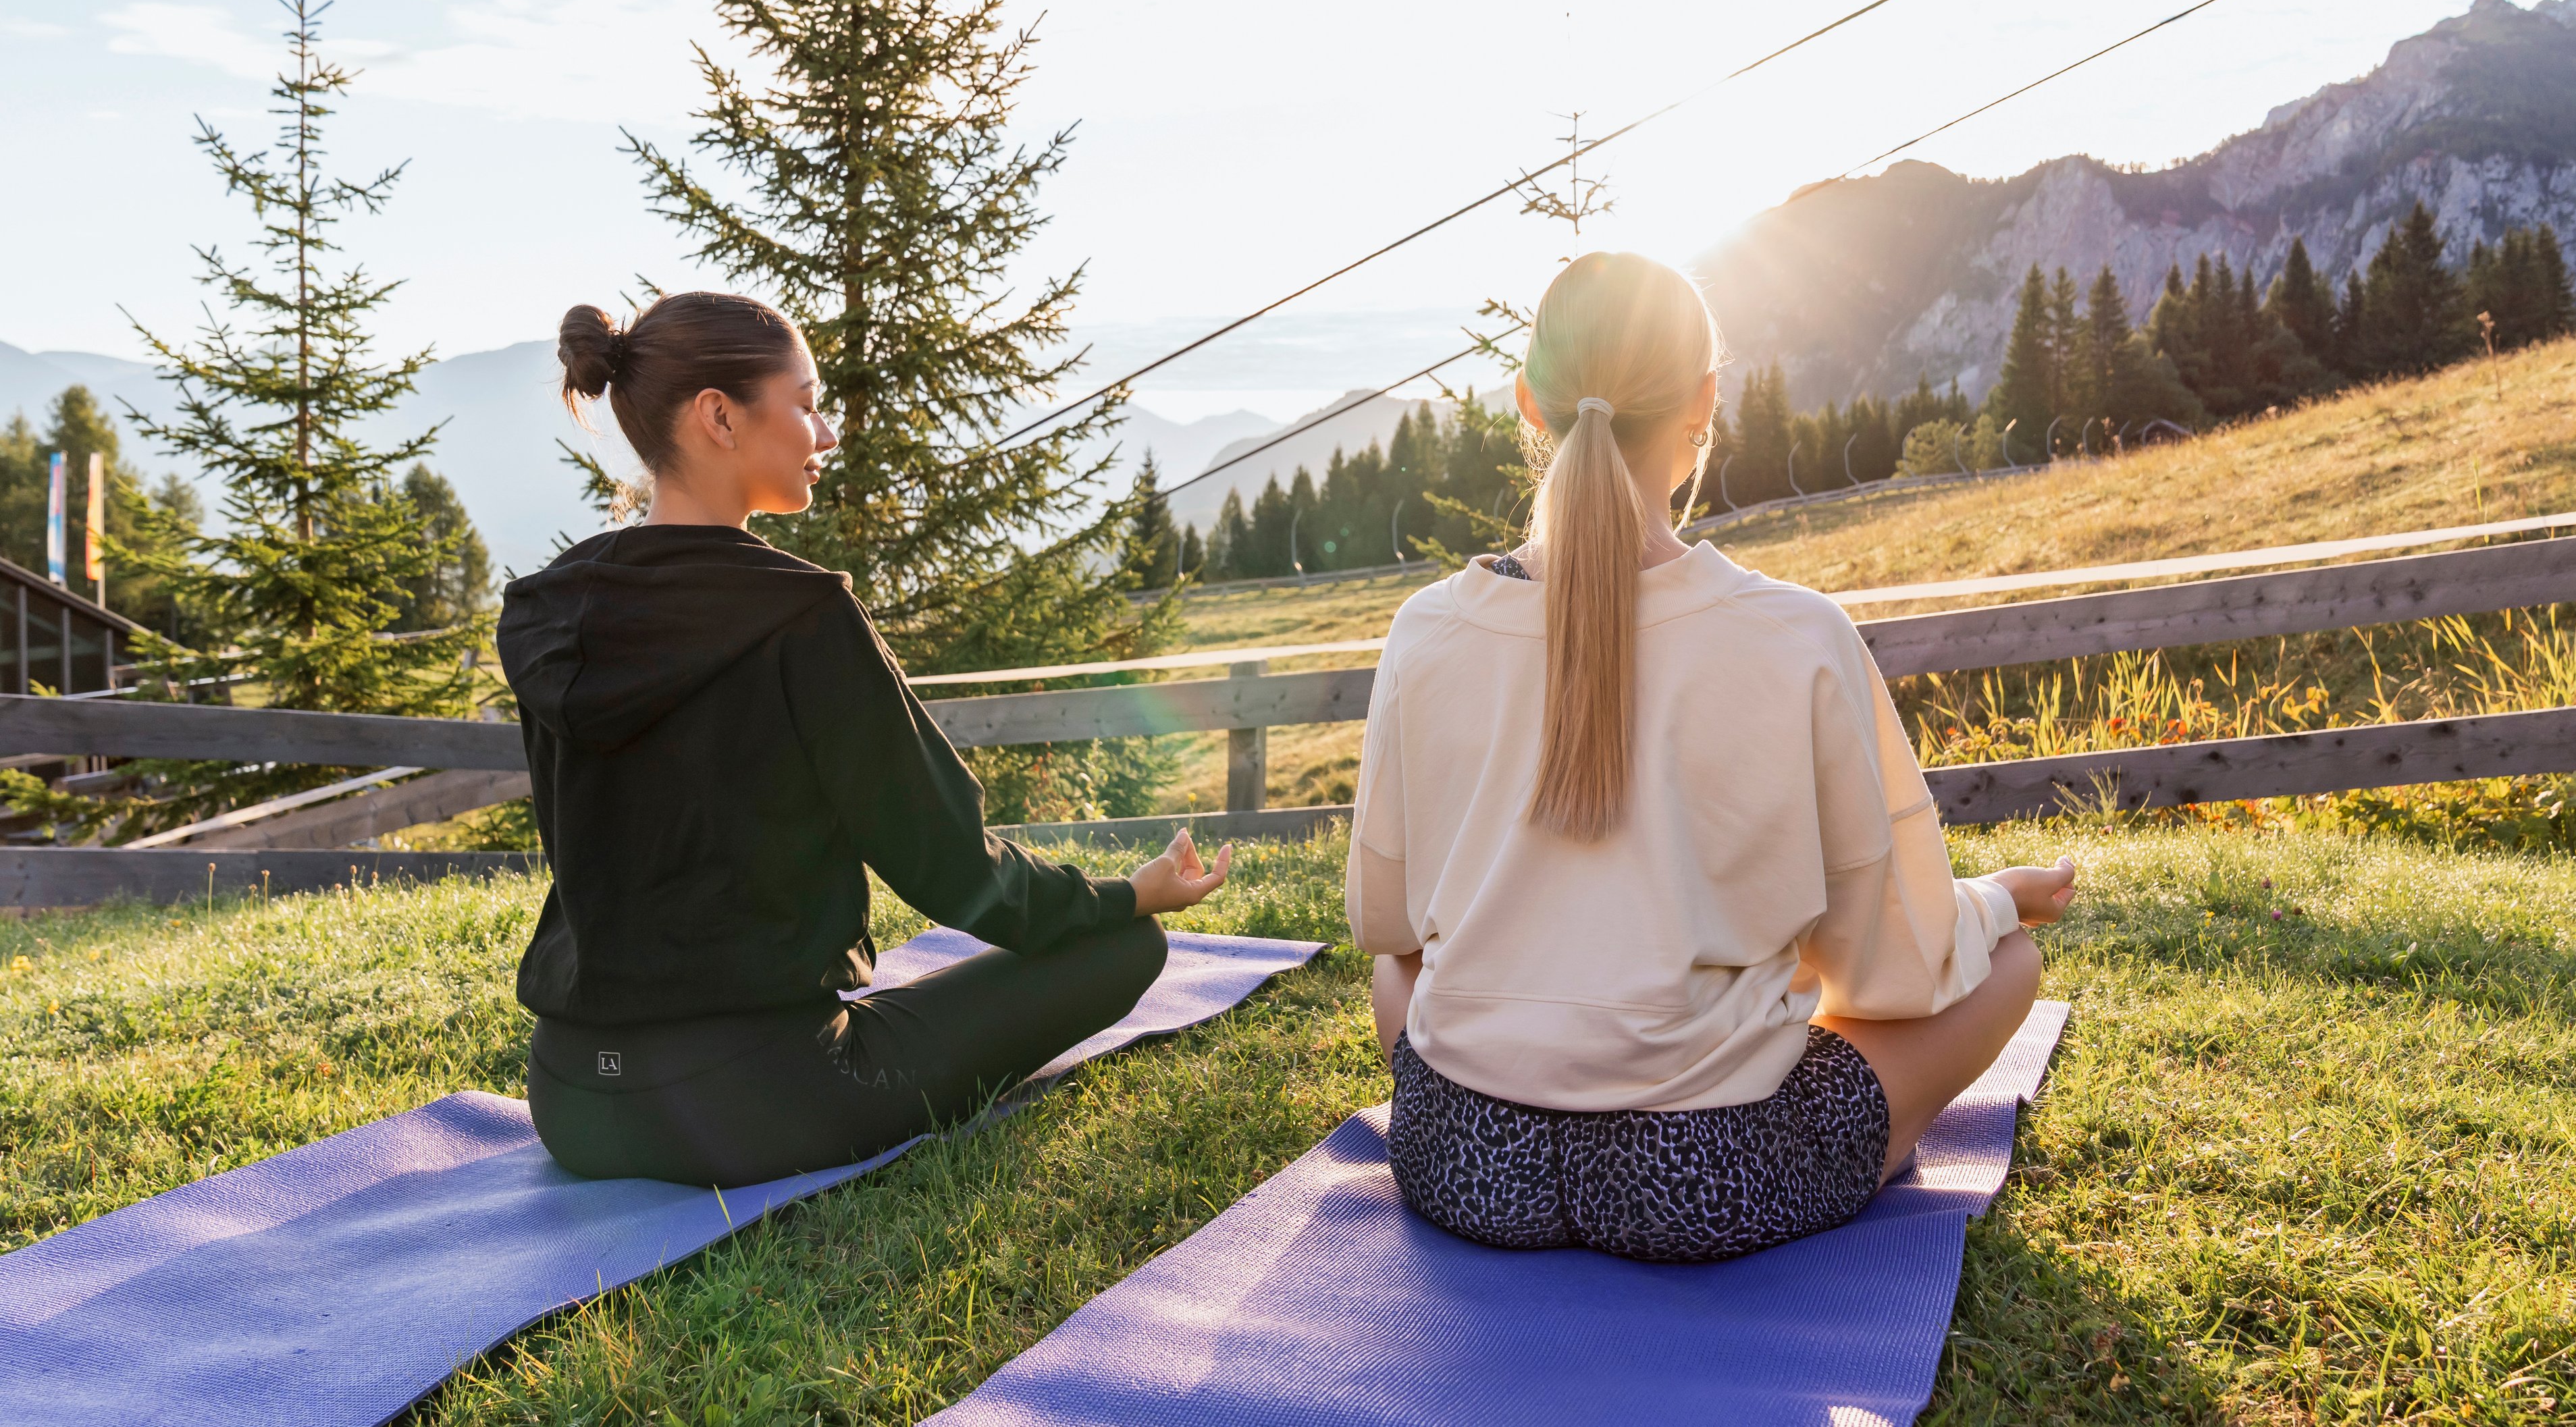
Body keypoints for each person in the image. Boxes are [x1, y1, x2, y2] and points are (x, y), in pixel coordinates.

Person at [1348, 251, 2076, 1264]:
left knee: (1403, 965)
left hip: (1465, 1160)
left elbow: (1385, 926)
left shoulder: (1426, 630)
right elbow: (1882, 976)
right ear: (1704, 403)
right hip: (1701, 1178)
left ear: (1528, 402)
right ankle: (1880, 1145)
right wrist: (1993, 900)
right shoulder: (1796, 635)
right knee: (2012, 965)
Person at [498, 291, 1230, 1187]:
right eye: (805, 403)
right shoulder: (800, 617)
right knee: (1128, 948)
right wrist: (1126, 896)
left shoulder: (548, 612)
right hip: (751, 1101)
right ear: (719, 417)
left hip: (573, 1098)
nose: (827, 432)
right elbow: (953, 868)